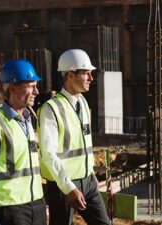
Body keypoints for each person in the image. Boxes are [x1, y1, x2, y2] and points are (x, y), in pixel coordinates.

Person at [37, 49, 110, 225]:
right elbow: (48, 154)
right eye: (86, 73)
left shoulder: (83, 103)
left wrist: (90, 171)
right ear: (70, 75)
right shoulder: (50, 109)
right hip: (63, 185)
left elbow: (83, 143)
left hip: (87, 181)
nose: (91, 78)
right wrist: (69, 188)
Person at [0, 59, 47, 225]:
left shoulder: (28, 121)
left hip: (37, 203)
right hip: (11, 209)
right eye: (31, 86)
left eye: (36, 85)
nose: (36, 91)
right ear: (12, 88)